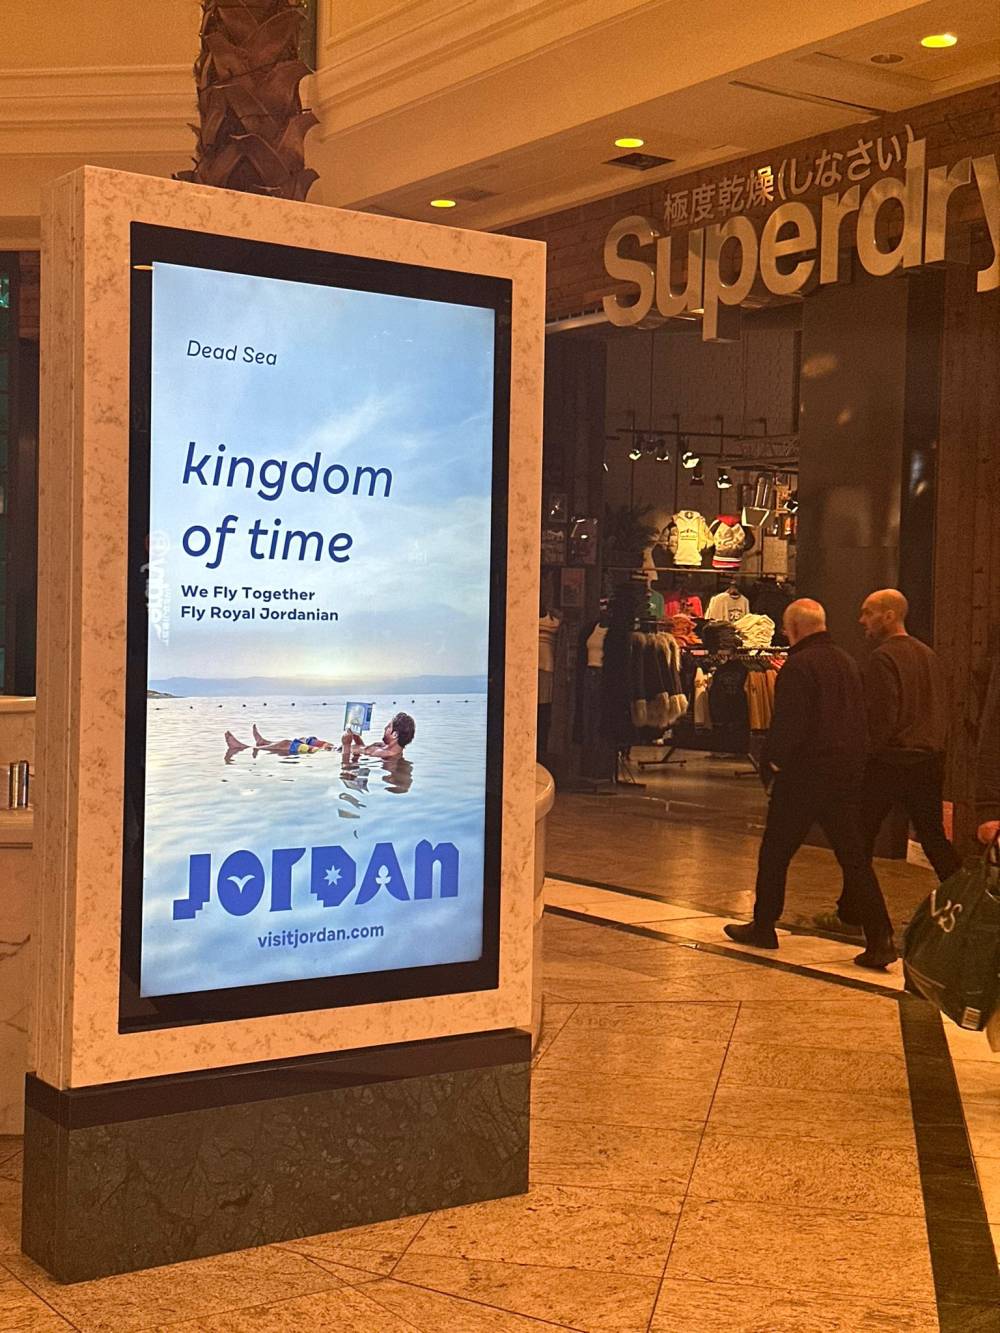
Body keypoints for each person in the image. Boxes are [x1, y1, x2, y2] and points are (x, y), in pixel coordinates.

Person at [724, 598, 896, 969]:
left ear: (795, 628)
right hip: (844, 775)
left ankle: (764, 925)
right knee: (854, 858)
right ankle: (881, 937)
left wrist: (773, 764)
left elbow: (790, 724)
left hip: (804, 776)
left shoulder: (798, 666)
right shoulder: (848, 662)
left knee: (776, 851)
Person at [823, 589, 961, 934]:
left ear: (889, 615)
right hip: (928, 761)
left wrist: (863, 755)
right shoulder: (928, 655)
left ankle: (852, 914)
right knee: (933, 838)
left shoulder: (883, 658)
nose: (862, 621)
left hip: (889, 762)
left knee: (858, 839)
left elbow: (882, 716)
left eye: (868, 612)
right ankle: (965, 905)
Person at [341, 711, 415, 763]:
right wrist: (356, 736)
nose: (385, 728)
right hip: (343, 749)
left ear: (395, 735)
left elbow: (346, 768)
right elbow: (364, 749)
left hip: (342, 751)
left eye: (388, 727)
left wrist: (346, 744)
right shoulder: (385, 746)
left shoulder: (384, 754)